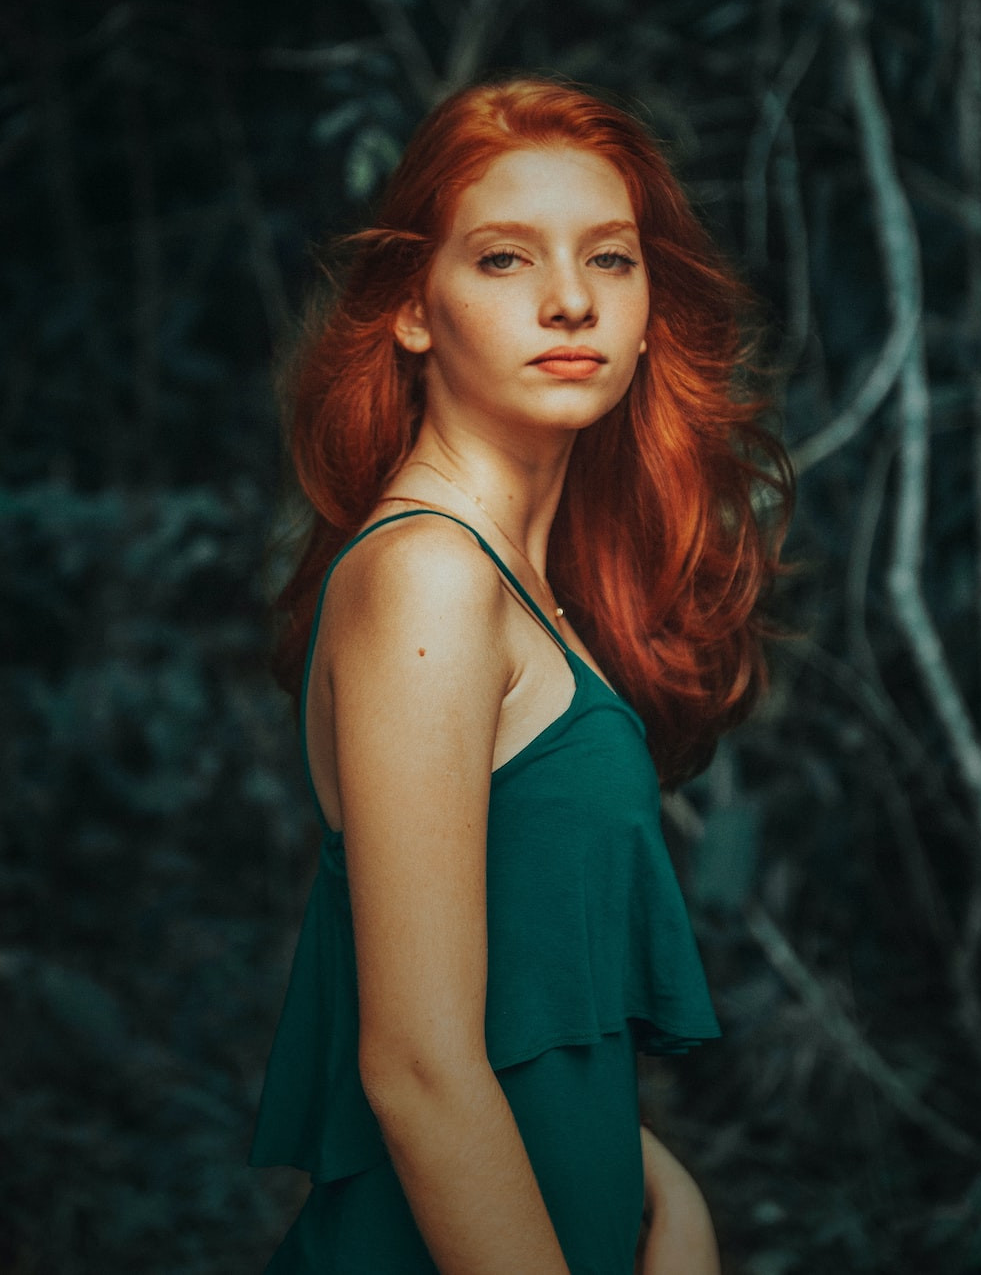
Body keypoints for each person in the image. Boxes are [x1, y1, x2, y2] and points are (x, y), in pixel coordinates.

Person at [248, 77, 794, 1274]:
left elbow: (522, 1025)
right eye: (504, 261)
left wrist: (666, 1198)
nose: (567, 301)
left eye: (610, 260)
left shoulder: (524, 589)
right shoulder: (430, 577)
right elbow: (418, 1069)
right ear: (410, 310)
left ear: (651, 310)